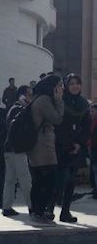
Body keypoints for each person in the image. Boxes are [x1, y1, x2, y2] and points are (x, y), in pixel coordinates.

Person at [28, 74, 64, 223]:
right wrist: (59, 101)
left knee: (39, 182)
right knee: (47, 181)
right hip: (43, 147)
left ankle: (37, 211)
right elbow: (57, 119)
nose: (62, 88)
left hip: (39, 146)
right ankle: (39, 212)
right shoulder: (44, 100)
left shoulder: (38, 98)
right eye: (59, 85)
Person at [54, 73, 90, 223]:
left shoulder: (83, 104)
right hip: (61, 145)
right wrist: (69, 143)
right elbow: (58, 125)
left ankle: (65, 211)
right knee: (59, 178)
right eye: (71, 83)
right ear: (66, 86)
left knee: (71, 181)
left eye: (77, 83)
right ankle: (50, 209)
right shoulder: (61, 101)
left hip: (76, 147)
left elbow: (86, 126)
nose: (75, 86)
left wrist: (78, 143)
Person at [2, 85, 33, 216]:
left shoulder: (12, 109)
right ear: (22, 95)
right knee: (25, 178)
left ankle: (7, 206)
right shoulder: (19, 109)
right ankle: (32, 206)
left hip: (9, 148)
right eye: (29, 94)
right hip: (18, 149)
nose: (31, 97)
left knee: (10, 179)